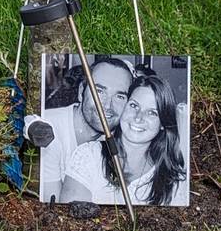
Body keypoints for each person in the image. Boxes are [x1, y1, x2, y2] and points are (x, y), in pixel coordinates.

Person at [59, 74, 189, 206]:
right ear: (123, 107)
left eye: (152, 113)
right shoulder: (89, 156)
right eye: (134, 105)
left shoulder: (174, 179)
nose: (138, 117)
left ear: (163, 123)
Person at [36, 58, 133, 203]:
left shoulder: (125, 141)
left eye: (119, 96)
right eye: (99, 91)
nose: (107, 105)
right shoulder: (48, 127)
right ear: (81, 92)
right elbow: (53, 209)